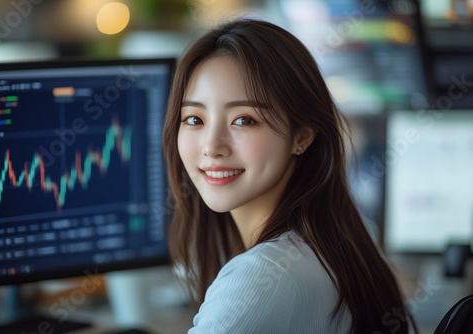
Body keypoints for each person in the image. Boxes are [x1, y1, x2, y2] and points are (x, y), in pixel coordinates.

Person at [162, 18, 416, 334]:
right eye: (194, 118)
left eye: (244, 120)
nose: (212, 146)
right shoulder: (331, 242)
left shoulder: (261, 279)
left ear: (302, 137)